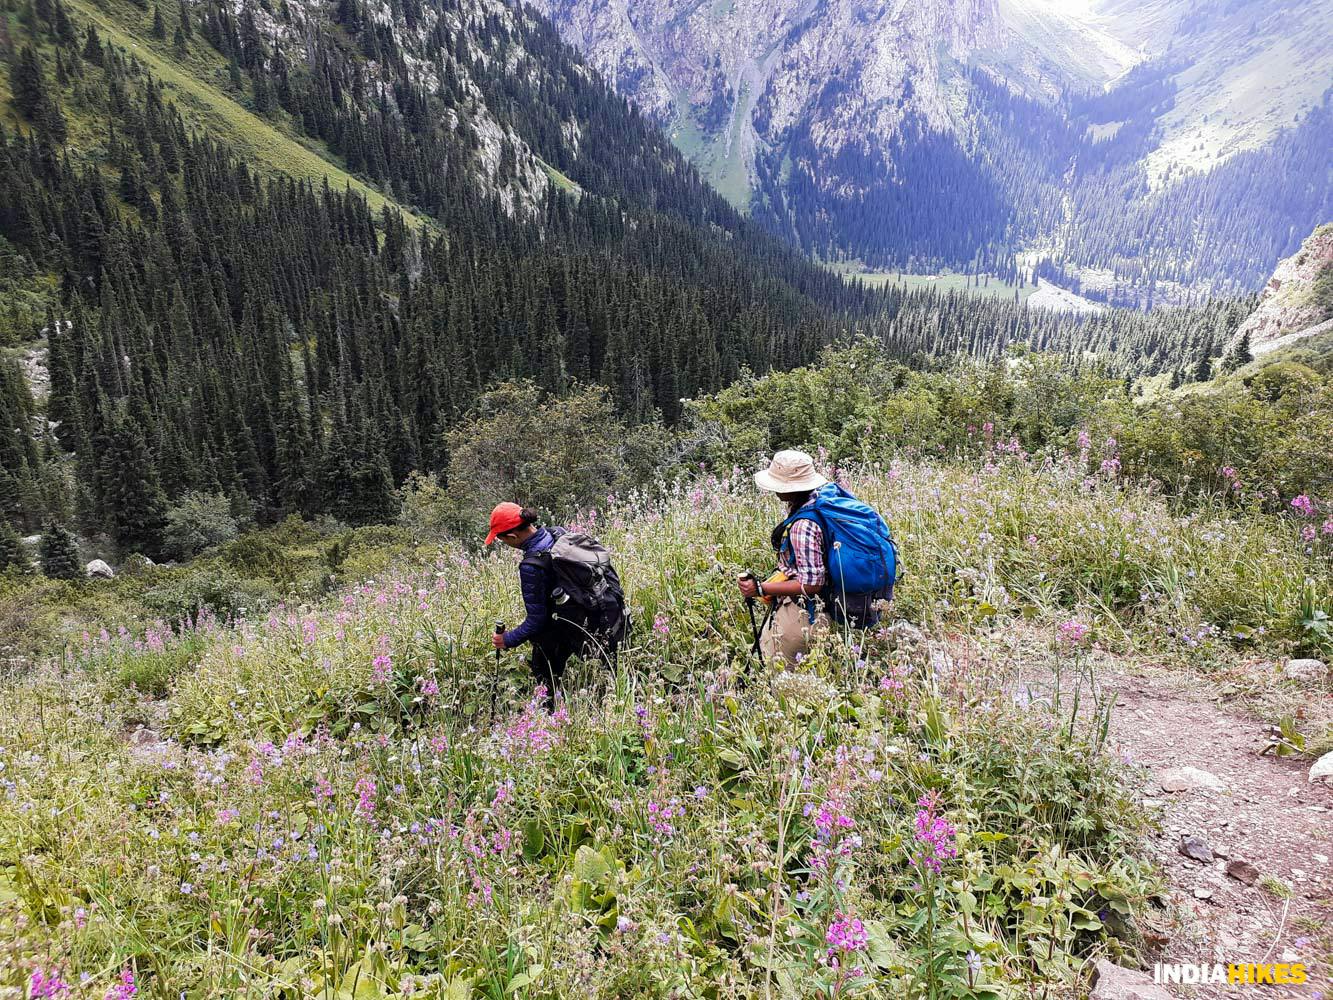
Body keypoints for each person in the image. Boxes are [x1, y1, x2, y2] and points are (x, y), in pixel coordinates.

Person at [737, 450, 895, 665]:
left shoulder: (803, 525)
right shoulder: (826, 497)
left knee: (782, 672)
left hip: (806, 613)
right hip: (824, 606)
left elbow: (812, 584)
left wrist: (761, 589)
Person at [487, 502, 627, 705]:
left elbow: (537, 620)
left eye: (501, 540)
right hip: (595, 611)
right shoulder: (558, 534)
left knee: (544, 670)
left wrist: (507, 639)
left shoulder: (531, 566)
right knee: (611, 668)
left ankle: (549, 712)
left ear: (512, 537)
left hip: (565, 625)